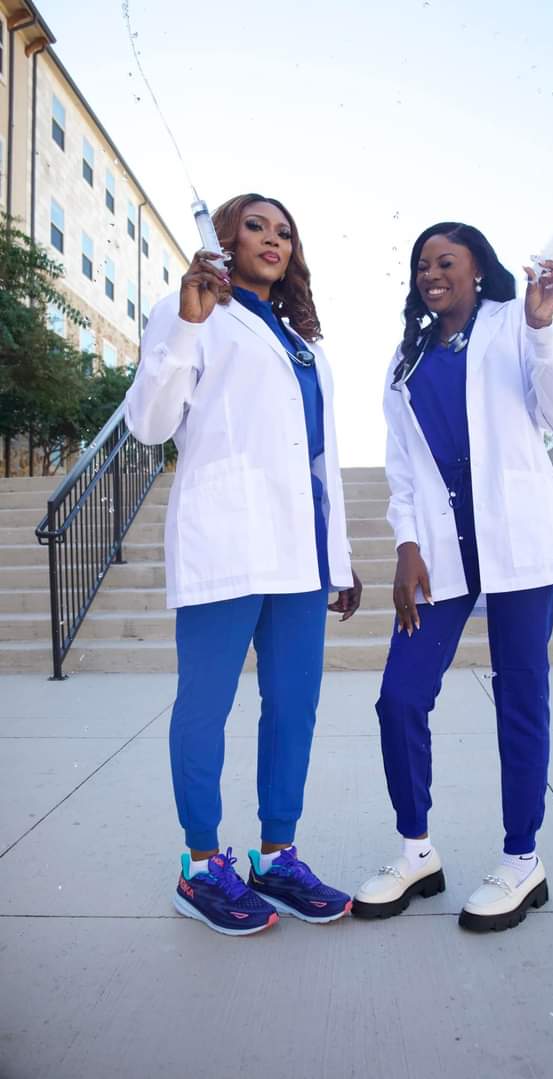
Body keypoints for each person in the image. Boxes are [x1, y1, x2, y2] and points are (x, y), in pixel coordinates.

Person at [125, 193, 362, 936]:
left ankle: (276, 856)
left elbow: (320, 457)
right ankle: (201, 866)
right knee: (206, 705)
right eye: (255, 226)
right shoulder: (189, 311)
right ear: (224, 238)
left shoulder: (301, 341)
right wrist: (188, 324)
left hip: (300, 553)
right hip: (226, 541)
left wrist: (339, 557)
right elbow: (149, 424)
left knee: (293, 705)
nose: (272, 239)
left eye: (284, 231)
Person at [352, 221, 553, 931]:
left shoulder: (515, 324)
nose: (431, 274)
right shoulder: (406, 357)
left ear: (478, 269)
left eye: (446, 261)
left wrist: (543, 328)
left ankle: (522, 859)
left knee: (520, 696)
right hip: (441, 547)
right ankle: (416, 851)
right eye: (421, 264)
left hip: (517, 538)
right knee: (400, 696)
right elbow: (402, 467)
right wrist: (405, 544)